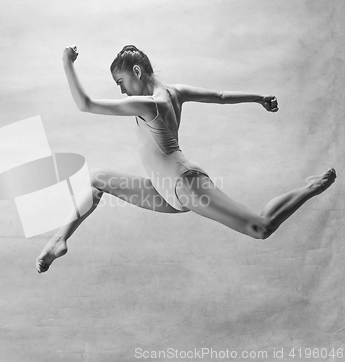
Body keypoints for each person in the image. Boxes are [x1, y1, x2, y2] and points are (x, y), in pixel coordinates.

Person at [36, 44, 336, 273]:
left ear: (137, 72)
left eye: (121, 81)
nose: (122, 89)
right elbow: (219, 95)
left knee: (260, 227)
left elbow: (85, 104)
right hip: (166, 193)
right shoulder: (174, 92)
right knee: (97, 177)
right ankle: (60, 239)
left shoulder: (148, 104)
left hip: (185, 183)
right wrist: (258, 98)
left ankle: (312, 187)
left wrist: (67, 64)